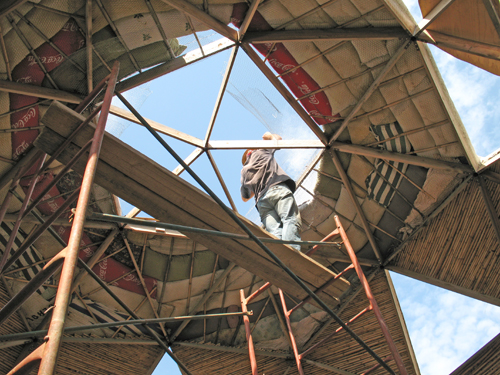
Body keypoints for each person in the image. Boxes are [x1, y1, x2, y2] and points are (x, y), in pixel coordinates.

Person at [240, 132, 301, 251]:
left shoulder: (244, 171)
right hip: (277, 189)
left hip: (262, 202)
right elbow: (278, 140)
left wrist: (256, 182)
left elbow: (245, 197)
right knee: (290, 219)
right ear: (253, 150)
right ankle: (292, 253)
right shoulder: (261, 151)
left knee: (274, 231)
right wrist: (268, 136)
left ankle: (281, 257)